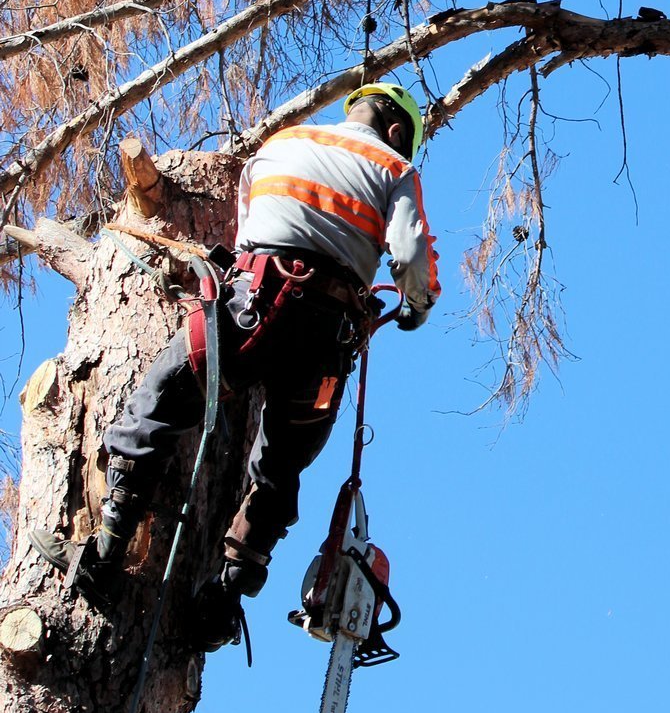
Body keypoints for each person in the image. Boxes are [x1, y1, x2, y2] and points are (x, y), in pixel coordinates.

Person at [32, 82, 439, 649]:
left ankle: (107, 550)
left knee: (158, 403)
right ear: (397, 132)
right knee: (278, 468)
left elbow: (249, 232)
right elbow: (411, 258)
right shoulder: (394, 166)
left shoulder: (280, 143)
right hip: (324, 344)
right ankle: (222, 598)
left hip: (253, 311)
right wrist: (416, 306)